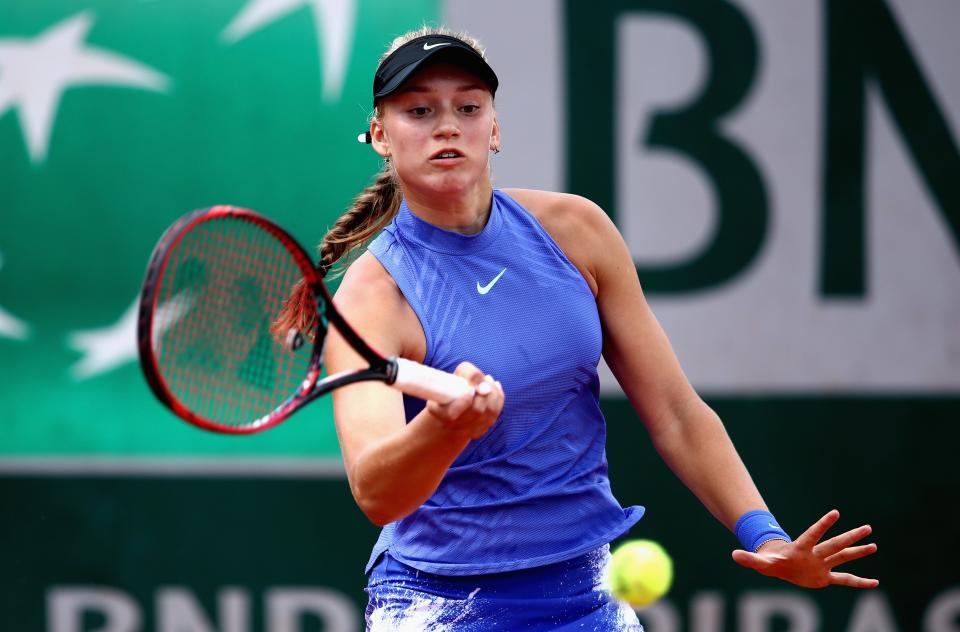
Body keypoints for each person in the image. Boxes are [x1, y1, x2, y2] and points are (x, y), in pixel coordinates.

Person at [311, 26, 878, 630]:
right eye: (418, 110)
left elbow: (675, 410)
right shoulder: (371, 300)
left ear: (494, 129)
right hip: (435, 603)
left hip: (587, 594)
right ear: (380, 136)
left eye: (468, 107)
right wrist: (445, 431)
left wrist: (764, 534)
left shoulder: (577, 231)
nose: (447, 125)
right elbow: (377, 493)